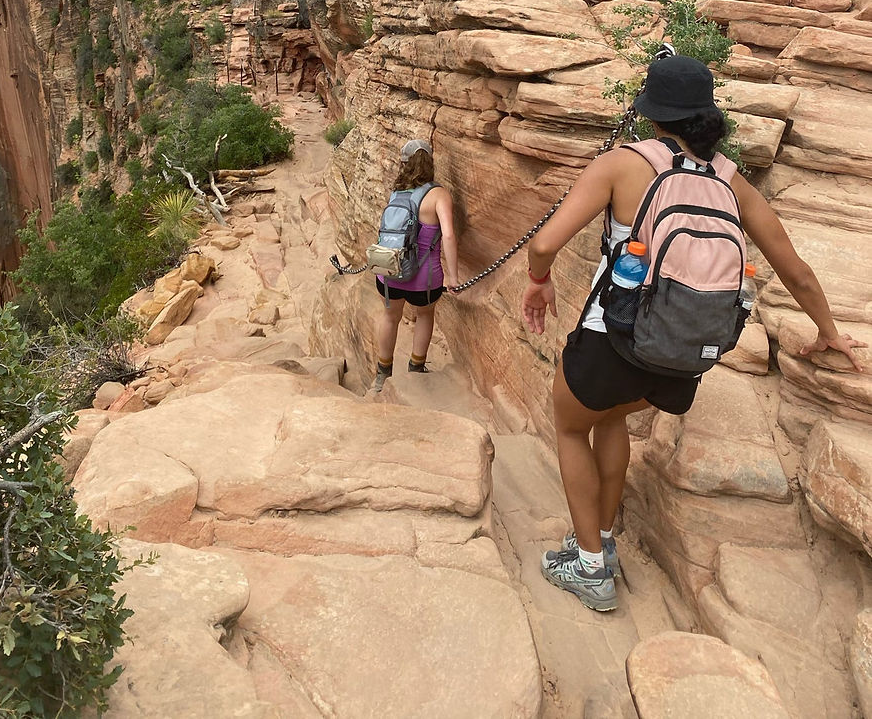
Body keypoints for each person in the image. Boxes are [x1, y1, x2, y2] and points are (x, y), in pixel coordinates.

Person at [521, 53, 866, 613]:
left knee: (568, 427)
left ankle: (588, 569)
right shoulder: (731, 178)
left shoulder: (621, 164)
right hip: (685, 357)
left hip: (613, 336)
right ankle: (602, 543)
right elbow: (795, 269)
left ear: (651, 113)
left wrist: (539, 282)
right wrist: (829, 331)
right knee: (610, 422)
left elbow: (542, 244)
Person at [371, 139, 459, 392]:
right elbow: (449, 235)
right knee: (424, 315)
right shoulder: (438, 195)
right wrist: (453, 277)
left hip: (390, 272)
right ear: (430, 162)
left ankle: (382, 375)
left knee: (390, 317)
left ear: (404, 163)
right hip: (425, 278)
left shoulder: (397, 192)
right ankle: (416, 369)